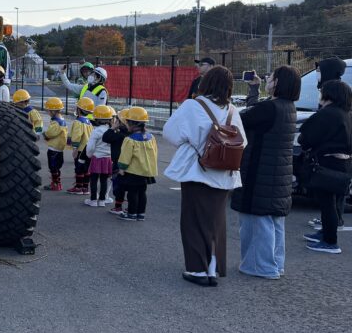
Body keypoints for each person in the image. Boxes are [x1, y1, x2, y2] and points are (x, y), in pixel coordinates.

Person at [163, 66, 247, 286]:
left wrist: (192, 143)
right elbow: (243, 141)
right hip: (225, 173)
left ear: (205, 83)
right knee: (215, 223)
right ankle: (213, 268)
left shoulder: (193, 105)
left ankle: (197, 270)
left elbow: (170, 132)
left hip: (197, 170)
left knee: (193, 221)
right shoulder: (232, 111)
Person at [230, 66, 299, 278]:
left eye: (271, 77)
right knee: (274, 220)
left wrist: (253, 92)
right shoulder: (287, 107)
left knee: (256, 219)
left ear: (277, 83)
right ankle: (275, 264)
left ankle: (260, 266)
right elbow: (255, 115)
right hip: (277, 172)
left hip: (260, 171)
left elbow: (242, 118)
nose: (267, 79)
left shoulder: (270, 108)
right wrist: (255, 90)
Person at [300, 79, 352, 255]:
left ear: (329, 94)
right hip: (344, 164)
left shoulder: (327, 114)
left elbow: (306, 138)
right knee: (333, 202)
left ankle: (330, 241)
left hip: (327, 163)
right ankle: (325, 233)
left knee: (327, 203)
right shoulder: (346, 114)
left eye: (322, 91)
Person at [117, 106, 158, 221]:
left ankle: (131, 213)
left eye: (127, 122)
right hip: (146, 171)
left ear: (131, 123)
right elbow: (155, 153)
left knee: (132, 193)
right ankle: (141, 213)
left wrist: (122, 168)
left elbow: (125, 156)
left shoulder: (130, 139)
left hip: (133, 171)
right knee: (142, 192)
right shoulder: (151, 137)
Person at [84, 104, 116, 207]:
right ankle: (102, 200)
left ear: (96, 118)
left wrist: (89, 155)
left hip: (97, 158)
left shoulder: (96, 131)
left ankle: (93, 200)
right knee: (104, 180)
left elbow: (90, 147)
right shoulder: (111, 131)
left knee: (93, 180)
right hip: (107, 159)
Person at [102, 107, 131, 212]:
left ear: (121, 122)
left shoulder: (118, 134)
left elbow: (105, 138)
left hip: (118, 163)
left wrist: (112, 128)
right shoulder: (131, 134)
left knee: (118, 186)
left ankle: (118, 206)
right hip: (131, 164)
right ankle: (131, 207)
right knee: (130, 187)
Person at [67, 96, 95, 194]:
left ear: (79, 110)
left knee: (79, 168)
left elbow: (76, 136)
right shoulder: (89, 123)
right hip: (88, 149)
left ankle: (78, 187)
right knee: (86, 169)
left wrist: (74, 148)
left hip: (80, 150)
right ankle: (85, 188)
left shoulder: (78, 122)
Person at [42, 96, 67, 191]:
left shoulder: (56, 122)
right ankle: (57, 183)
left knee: (53, 167)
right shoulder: (62, 120)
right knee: (57, 167)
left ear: (53, 111)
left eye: (48, 110)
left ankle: (55, 184)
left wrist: (45, 134)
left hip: (53, 149)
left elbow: (50, 133)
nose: (48, 112)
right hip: (60, 149)